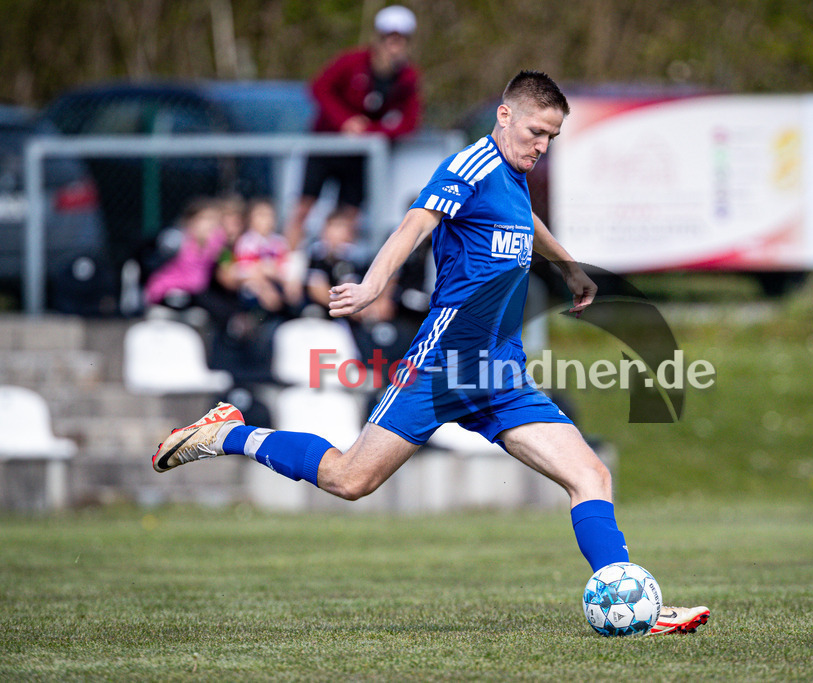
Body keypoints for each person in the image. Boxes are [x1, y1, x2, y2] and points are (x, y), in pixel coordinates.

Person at [151, 71, 709, 637]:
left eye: (552, 138)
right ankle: (228, 434)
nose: (542, 147)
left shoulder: (515, 176)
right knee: (350, 479)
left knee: (590, 474)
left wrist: (568, 266)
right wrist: (372, 285)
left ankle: (633, 607)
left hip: (500, 373)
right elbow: (418, 221)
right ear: (505, 116)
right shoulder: (470, 166)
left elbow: (525, 222)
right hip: (442, 365)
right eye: (537, 132)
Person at [285, 4, 421, 249]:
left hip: (361, 155)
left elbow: (409, 122)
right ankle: (290, 263)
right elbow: (319, 88)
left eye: (400, 41)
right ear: (378, 39)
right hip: (325, 147)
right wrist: (345, 122)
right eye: (389, 39)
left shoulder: (408, 77)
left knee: (350, 216)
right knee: (304, 206)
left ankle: (339, 267)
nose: (394, 47)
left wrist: (370, 133)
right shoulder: (352, 61)